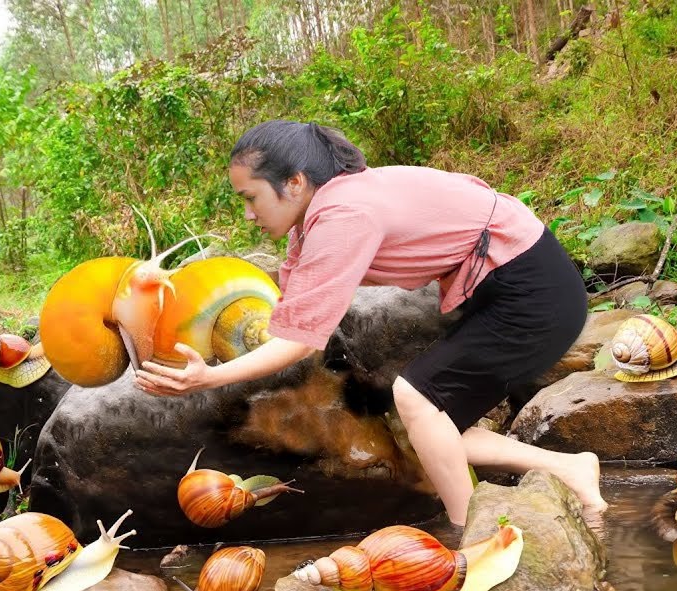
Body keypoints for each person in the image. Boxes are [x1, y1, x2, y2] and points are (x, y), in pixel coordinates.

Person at [134, 120, 604, 531]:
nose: (248, 214)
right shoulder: (317, 219)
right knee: (431, 429)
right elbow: (291, 308)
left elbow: (299, 341)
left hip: (531, 289)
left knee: (418, 399)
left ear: (294, 183)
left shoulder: (343, 215)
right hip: (504, 283)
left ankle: (469, 531)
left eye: (251, 198)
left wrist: (209, 378)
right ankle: (570, 468)